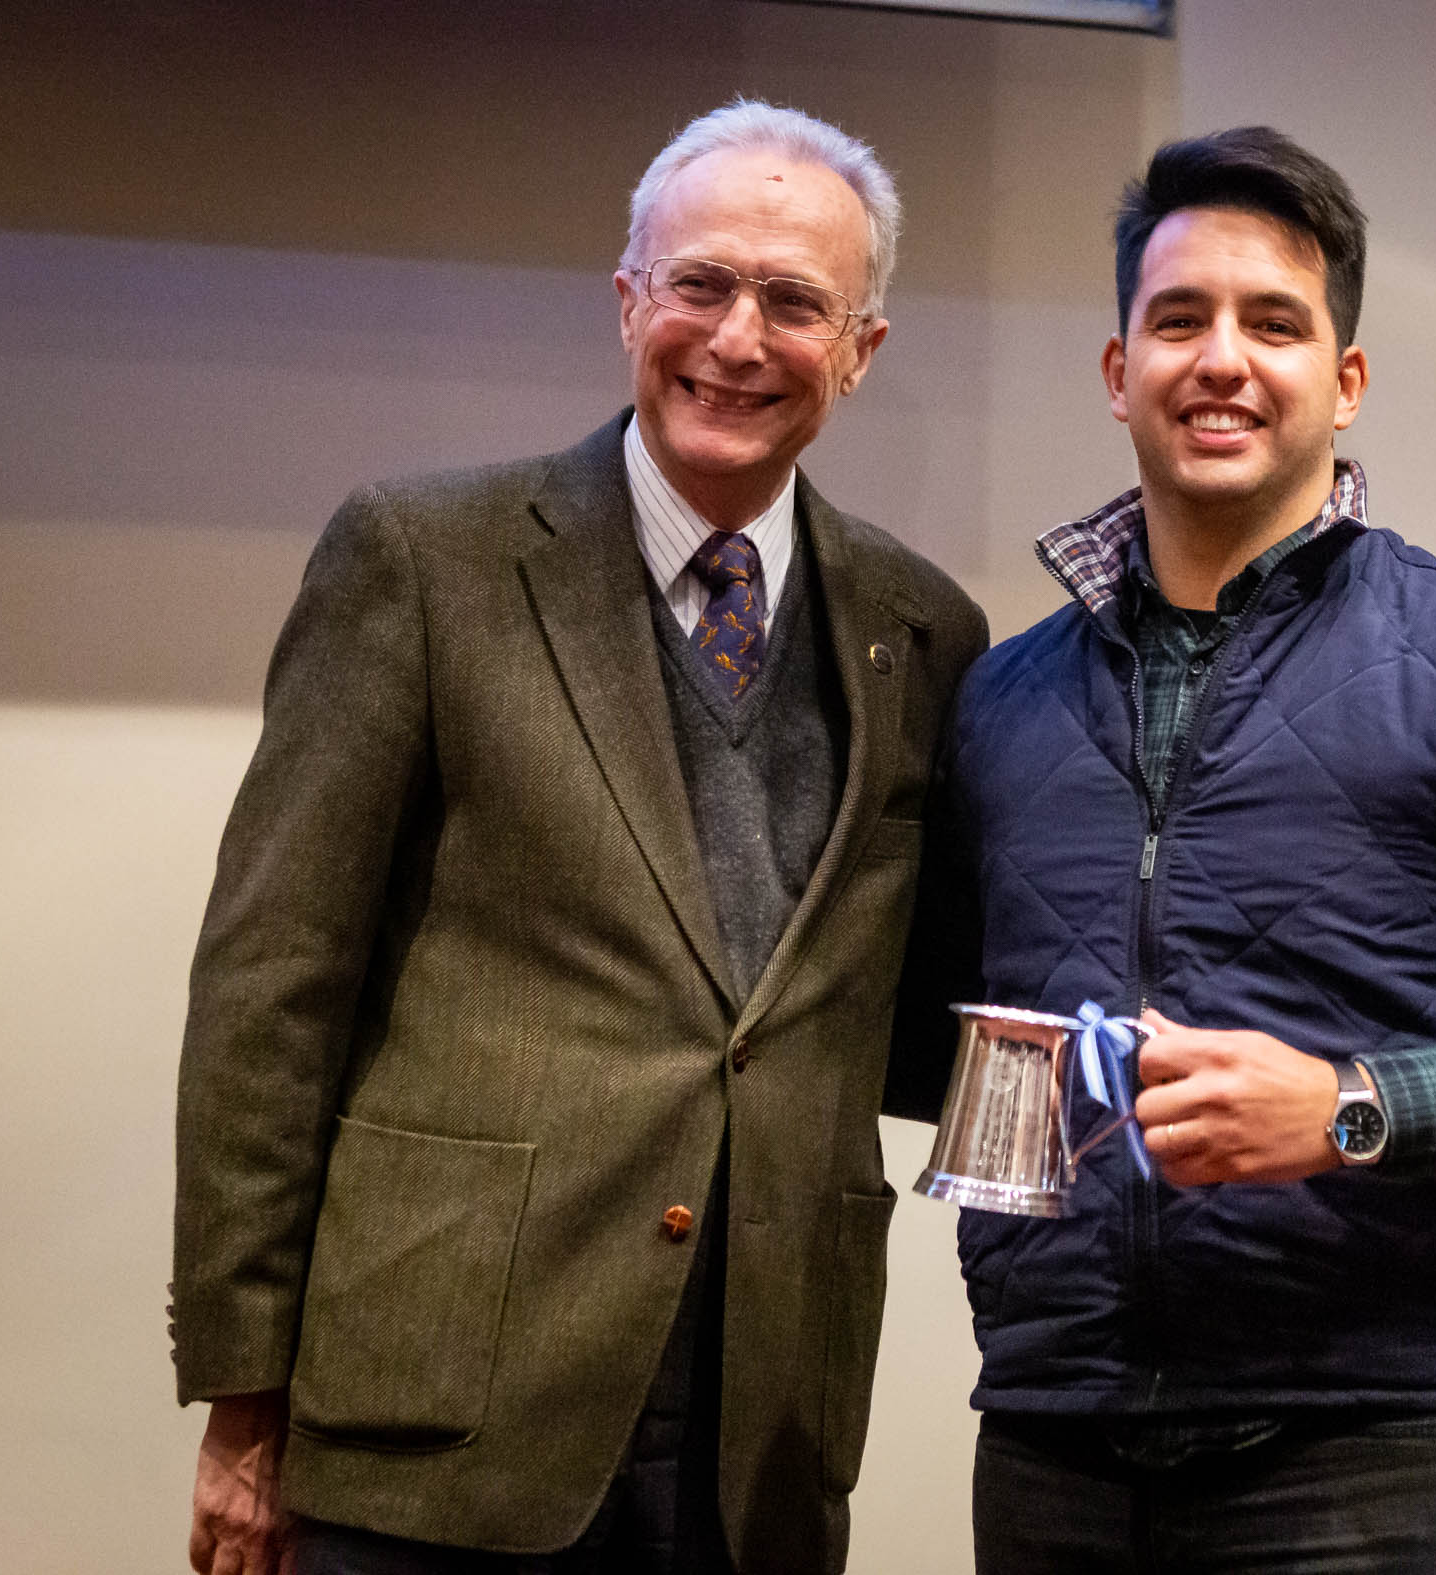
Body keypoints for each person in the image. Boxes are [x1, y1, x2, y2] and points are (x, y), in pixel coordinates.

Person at [171, 99, 987, 1575]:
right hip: (434, 1417)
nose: (737, 338)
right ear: (627, 301)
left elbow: (910, 1011)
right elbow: (272, 985)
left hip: (761, 1430)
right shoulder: (425, 559)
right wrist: (244, 1392)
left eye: (793, 301)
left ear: (860, 349)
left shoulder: (923, 629)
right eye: (700, 283)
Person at [934, 126, 1436, 1572]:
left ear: (1344, 381)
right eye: (1179, 319)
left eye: (1273, 323)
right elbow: (957, 1041)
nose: (1221, 360)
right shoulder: (998, 700)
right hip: (1054, 1454)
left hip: (1379, 1462)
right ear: (1118, 369)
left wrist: (1352, 1108)